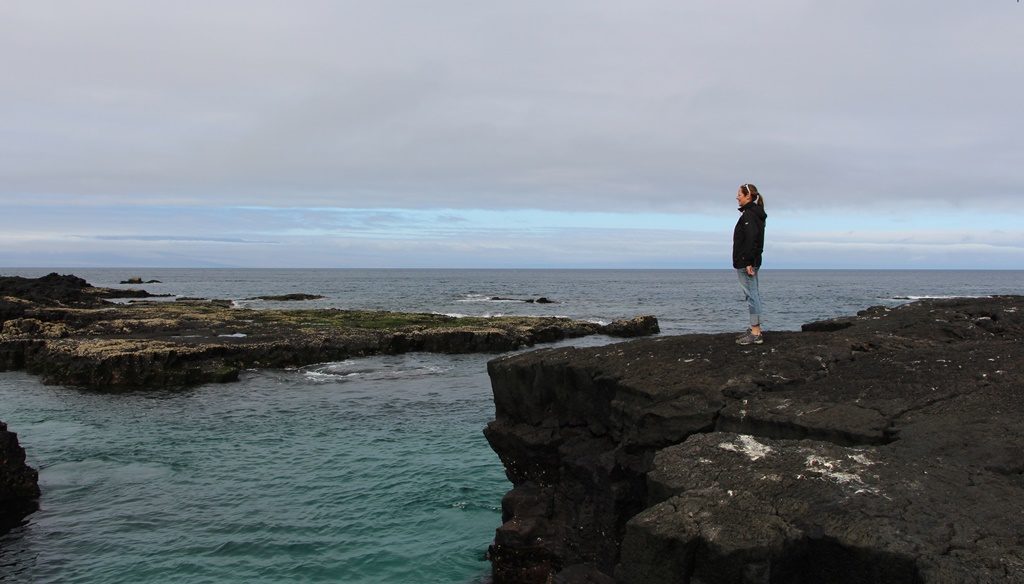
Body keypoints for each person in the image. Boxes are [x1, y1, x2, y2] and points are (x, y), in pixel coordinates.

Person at [733, 183, 767, 345]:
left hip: (747, 262)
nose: (737, 197)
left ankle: (756, 332)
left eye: (739, 194)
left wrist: (748, 262)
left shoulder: (749, 215)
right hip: (750, 260)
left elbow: (752, 239)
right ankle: (755, 328)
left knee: (752, 295)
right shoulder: (754, 213)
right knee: (753, 294)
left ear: (748, 196)